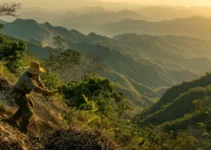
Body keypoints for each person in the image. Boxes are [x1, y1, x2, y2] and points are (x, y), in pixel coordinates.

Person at [5, 61, 52, 134]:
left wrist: (44, 91)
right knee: (28, 112)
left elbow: (39, 82)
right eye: (36, 72)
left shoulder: (34, 74)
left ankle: (13, 119)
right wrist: (45, 91)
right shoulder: (26, 78)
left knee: (30, 105)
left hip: (24, 94)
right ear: (32, 71)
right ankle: (23, 129)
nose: (37, 73)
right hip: (18, 95)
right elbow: (36, 89)